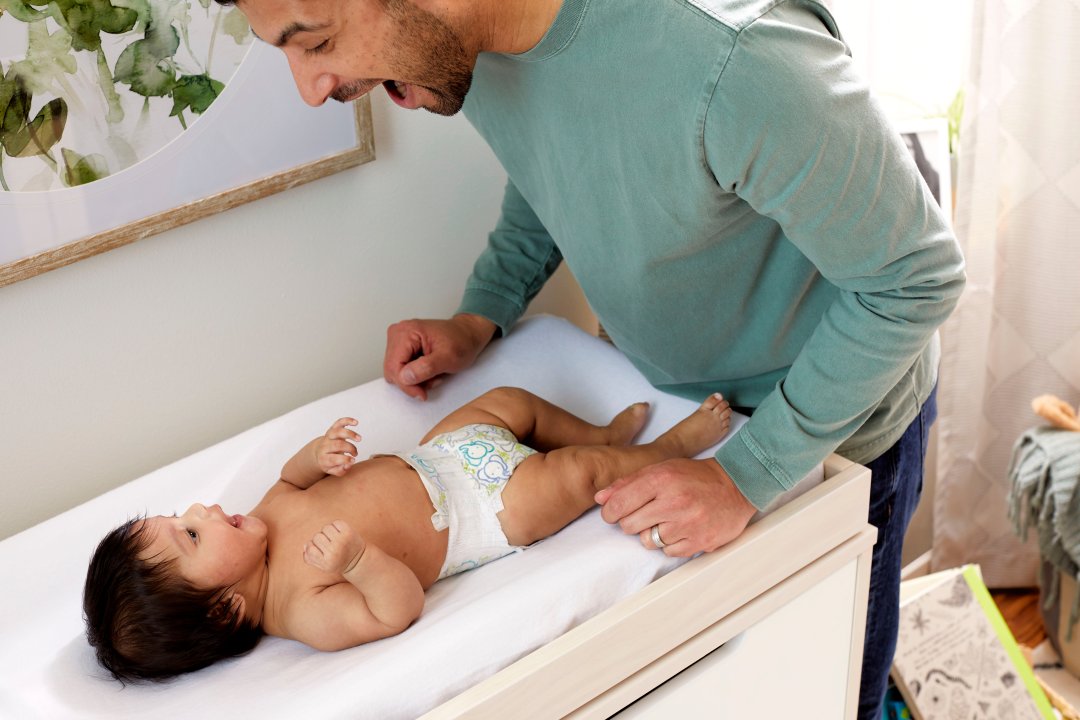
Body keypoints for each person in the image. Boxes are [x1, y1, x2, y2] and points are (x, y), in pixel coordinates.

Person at [215, 0, 966, 716]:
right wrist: (483, 312)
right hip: (671, 394)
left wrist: (744, 475)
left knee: (828, 693)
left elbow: (913, 279)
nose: (312, 90)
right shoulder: (471, 48)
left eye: (313, 42)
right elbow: (555, 167)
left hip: (823, 430)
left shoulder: (736, 57)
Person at [83, 387, 732, 681]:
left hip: (441, 456)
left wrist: (317, 457)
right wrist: (360, 560)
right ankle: (667, 449)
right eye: (191, 538)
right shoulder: (302, 608)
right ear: (226, 607)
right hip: (487, 510)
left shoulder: (257, 524)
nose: (201, 509)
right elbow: (395, 610)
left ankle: (602, 434)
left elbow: (290, 480)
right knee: (576, 475)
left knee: (512, 403)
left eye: (180, 516)